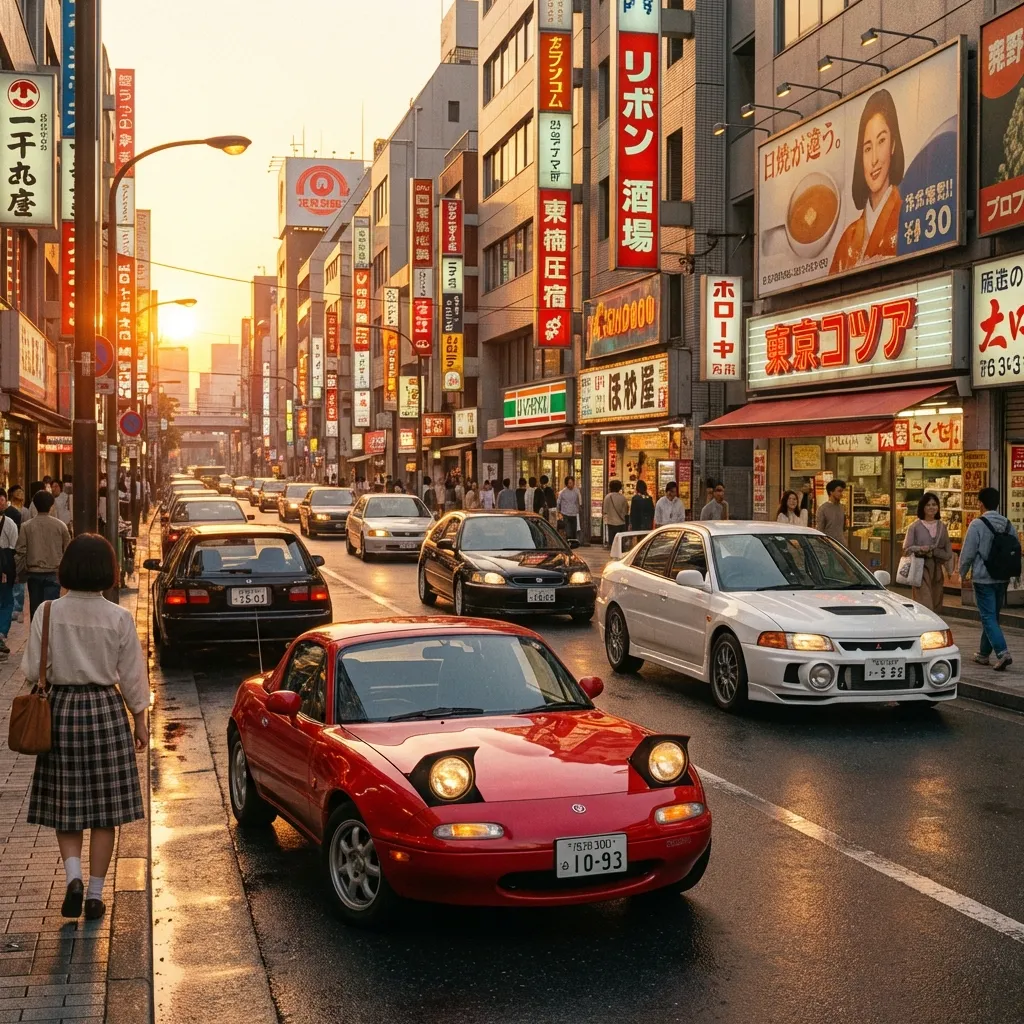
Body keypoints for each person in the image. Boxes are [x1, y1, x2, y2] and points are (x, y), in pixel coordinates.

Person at [24, 533, 148, 922]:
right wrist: (140, 720)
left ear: (68, 568)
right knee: (105, 810)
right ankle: (95, 895)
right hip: (106, 711)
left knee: (67, 804)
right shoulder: (118, 617)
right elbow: (132, 676)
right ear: (108, 570)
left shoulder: (47, 612)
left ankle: (73, 877)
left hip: (60, 711)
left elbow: (32, 670)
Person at [829, 88, 903, 275]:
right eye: (867, 148)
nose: (874, 159)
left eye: (881, 141)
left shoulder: (908, 217)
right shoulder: (848, 238)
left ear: (893, 145)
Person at [960, 487, 1018, 671]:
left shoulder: (977, 524)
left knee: (987, 616)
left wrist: (962, 572)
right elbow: (1015, 549)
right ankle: (983, 654)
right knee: (993, 616)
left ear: (980, 503)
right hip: (1002, 578)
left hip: (983, 578)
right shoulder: (1008, 524)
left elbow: (968, 553)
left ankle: (1002, 653)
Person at [15, 490, 70, 619]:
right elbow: (68, 551)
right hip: (53, 573)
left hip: (33, 573)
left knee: (36, 611)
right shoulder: (61, 526)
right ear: (51, 505)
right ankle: (49, 632)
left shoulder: (26, 526)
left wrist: (17, 572)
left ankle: (36, 631)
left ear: (35, 505)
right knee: (50, 612)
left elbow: (21, 551)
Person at [902, 492, 953, 613]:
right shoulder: (914, 527)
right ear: (923, 507)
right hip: (920, 569)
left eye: (934, 504)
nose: (931, 507)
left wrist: (934, 552)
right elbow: (906, 549)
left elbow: (948, 553)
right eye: (928, 505)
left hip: (937, 572)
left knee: (936, 603)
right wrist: (920, 549)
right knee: (924, 604)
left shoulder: (942, 527)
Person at [0, 494, 17, 659]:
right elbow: (14, 547)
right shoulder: (10, 523)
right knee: (6, 602)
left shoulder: (10, 522)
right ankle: (0, 634)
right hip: (4, 567)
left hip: (4, 567)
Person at [816, 479, 847, 544]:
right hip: (829, 545)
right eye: (839, 491)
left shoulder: (842, 507)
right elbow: (820, 531)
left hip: (841, 545)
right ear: (831, 492)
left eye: (842, 491)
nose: (841, 494)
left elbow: (843, 529)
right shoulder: (823, 509)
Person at [603, 479, 628, 549]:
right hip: (621, 523)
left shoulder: (607, 497)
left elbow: (605, 510)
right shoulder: (623, 498)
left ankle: (612, 551)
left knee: (612, 541)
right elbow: (625, 511)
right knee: (620, 542)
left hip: (611, 522)